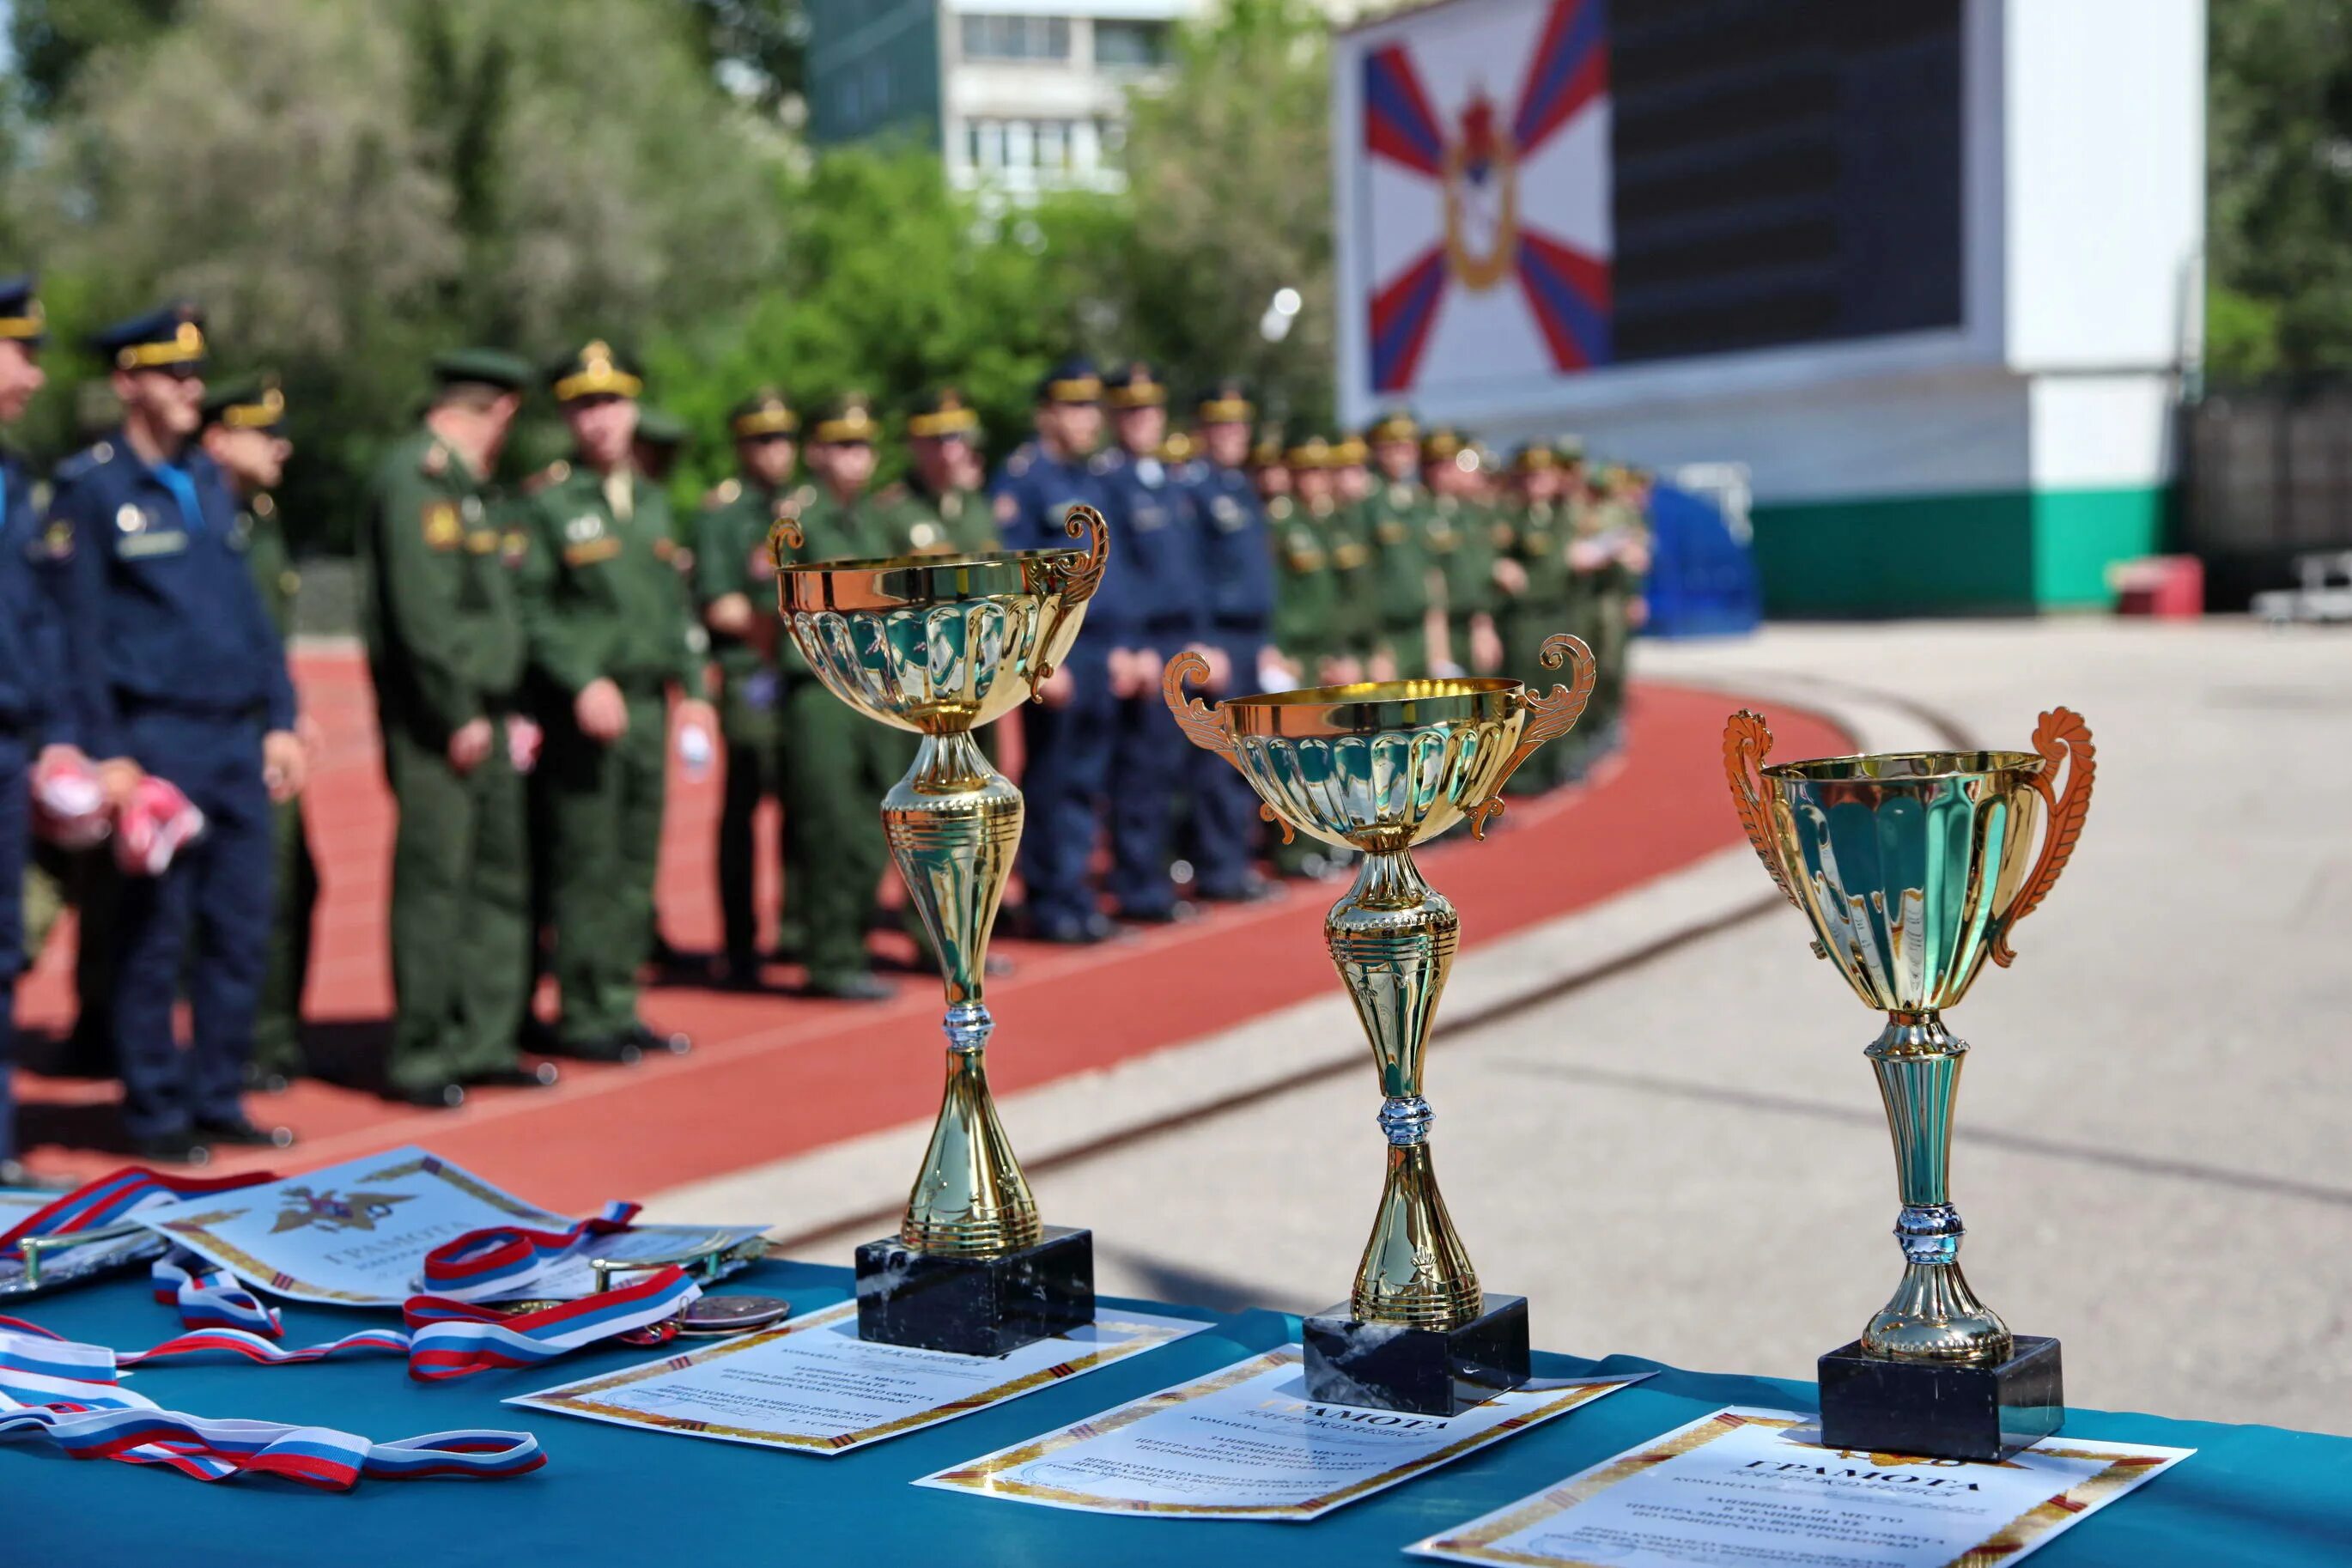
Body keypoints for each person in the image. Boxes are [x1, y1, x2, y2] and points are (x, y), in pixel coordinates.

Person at [49, 304, 302, 1162]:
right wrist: (108, 747)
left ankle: (217, 1091)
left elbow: (250, 616)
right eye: (174, 374)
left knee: (242, 926)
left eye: (196, 374)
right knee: (157, 935)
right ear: (128, 383)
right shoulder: (94, 487)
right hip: (157, 740)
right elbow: (79, 634)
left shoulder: (205, 478)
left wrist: (282, 717)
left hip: (235, 738)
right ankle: (156, 1109)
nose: (194, 388)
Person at [360, 349, 556, 1108]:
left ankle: (484, 1038)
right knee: (439, 880)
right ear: (497, 410)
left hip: (493, 714)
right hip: (444, 722)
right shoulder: (416, 479)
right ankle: (422, 1050)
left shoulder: (470, 487)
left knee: (498, 878)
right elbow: (423, 614)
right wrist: (458, 710)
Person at [514, 340, 712, 1061]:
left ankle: (619, 1001)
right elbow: (530, 607)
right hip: (588, 711)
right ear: (568, 417)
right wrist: (580, 678)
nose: (599, 420)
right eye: (583, 406)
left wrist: (693, 691)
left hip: (647, 706)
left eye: (611, 403)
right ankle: (584, 1011)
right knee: (586, 863)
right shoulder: (550, 503)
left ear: (633, 409)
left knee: (635, 860)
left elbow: (672, 606)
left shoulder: (653, 501)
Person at [194, 375, 317, 1093]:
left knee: (284, 885)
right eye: (262, 432)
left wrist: (287, 710)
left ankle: (264, 1040)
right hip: (208, 727)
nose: (282, 445)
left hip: (261, 724)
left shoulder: (260, 514)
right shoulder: (200, 513)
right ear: (218, 439)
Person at [769, 393, 903, 1000]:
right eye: (843, 445)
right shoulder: (797, 520)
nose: (856, 458)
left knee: (869, 825)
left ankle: (851, 944)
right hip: (821, 691)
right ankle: (828, 955)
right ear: (817, 453)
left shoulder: (876, 519)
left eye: (864, 445)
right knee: (831, 826)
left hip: (875, 689)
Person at [993, 358, 1118, 945]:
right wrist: (1039, 656)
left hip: (1095, 648)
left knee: (1087, 779)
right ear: (1046, 413)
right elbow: (1014, 581)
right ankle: (1048, 898)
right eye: (1074, 407)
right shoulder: (1023, 480)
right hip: (1055, 654)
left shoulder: (1090, 479)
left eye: (1092, 407)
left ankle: (1073, 891)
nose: (1087, 419)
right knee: (1052, 776)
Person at [0, 275, 75, 1184]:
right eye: (21, 351)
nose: (36, 377)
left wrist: (57, 730)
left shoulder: (16, 476)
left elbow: (39, 618)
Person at [695, 388, 800, 989]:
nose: (775, 450)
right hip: (750, 676)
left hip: (801, 678)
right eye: (763, 439)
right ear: (740, 446)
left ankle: (796, 929)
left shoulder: (799, 511)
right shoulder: (722, 514)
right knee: (742, 807)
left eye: (783, 437)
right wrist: (787, 624)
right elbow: (719, 604)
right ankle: (738, 941)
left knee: (805, 802)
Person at [1095, 362, 1206, 925]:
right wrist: (1131, 642)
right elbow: (1116, 575)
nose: (1142, 420)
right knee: (1138, 774)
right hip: (1140, 643)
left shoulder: (1166, 481)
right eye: (1130, 410)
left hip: (1176, 637)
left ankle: (1163, 874)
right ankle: (1139, 887)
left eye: (1150, 409)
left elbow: (1182, 571)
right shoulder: (1108, 483)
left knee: (1170, 770)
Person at [1178, 379, 1276, 903]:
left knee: (1248, 757)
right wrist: (1203, 641)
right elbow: (1191, 574)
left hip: (1248, 636)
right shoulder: (1194, 489)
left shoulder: (1237, 486)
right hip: (1218, 636)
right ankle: (1219, 868)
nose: (1234, 433)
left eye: (1240, 423)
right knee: (1218, 763)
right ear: (1202, 431)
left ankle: (1236, 860)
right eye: (1222, 424)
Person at [1498, 442, 1572, 794]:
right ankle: (1524, 773)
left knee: (1559, 694)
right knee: (1528, 696)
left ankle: (1553, 763)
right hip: (1526, 617)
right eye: (1529, 476)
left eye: (1542, 475)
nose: (1535, 483)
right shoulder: (1510, 518)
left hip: (1557, 613)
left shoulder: (1560, 516)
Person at [1358, 410, 1439, 680]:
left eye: (1406, 445)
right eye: (1391, 445)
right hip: (1386, 635)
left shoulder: (1418, 501)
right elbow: (1362, 579)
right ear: (1376, 450)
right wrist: (1377, 648)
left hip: (1418, 632)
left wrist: (1436, 644)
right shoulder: (1368, 500)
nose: (1400, 453)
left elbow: (1429, 571)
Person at [898, 386, 998, 555]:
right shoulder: (894, 511)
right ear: (913, 443)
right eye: (936, 439)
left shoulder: (979, 506)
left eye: (956, 436)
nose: (948, 450)